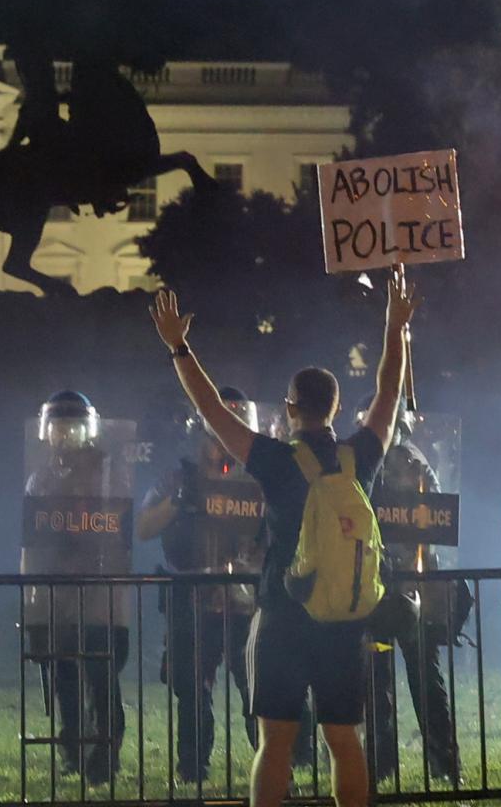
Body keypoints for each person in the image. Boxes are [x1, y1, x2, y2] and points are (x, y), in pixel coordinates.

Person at [150, 267, 417, 807]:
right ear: (337, 409)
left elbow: (211, 410)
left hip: (283, 615)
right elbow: (389, 390)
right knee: (345, 742)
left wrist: (180, 348)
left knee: (275, 744)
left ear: (290, 407)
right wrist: (394, 328)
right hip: (344, 620)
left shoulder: (274, 460)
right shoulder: (361, 456)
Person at [136, 388, 261, 784]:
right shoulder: (179, 477)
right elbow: (141, 528)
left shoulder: (259, 480)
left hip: (247, 602)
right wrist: (178, 501)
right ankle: (192, 767)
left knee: (258, 692)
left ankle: (272, 765)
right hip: (193, 601)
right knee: (192, 692)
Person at [20, 390, 131, 784]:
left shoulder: (107, 472)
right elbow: (29, 541)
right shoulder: (41, 476)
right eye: (58, 428)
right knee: (63, 672)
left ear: (89, 430)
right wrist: (32, 597)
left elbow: (119, 531)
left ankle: (105, 751)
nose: (65, 436)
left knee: (101, 676)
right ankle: (71, 748)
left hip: (99, 592)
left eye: (73, 427)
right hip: (55, 591)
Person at [354, 396, 461, 785]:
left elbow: (435, 519)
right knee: (380, 676)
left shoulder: (415, 463)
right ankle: (386, 765)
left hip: (408, 587)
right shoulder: (365, 462)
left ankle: (441, 763)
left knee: (420, 675)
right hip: (380, 586)